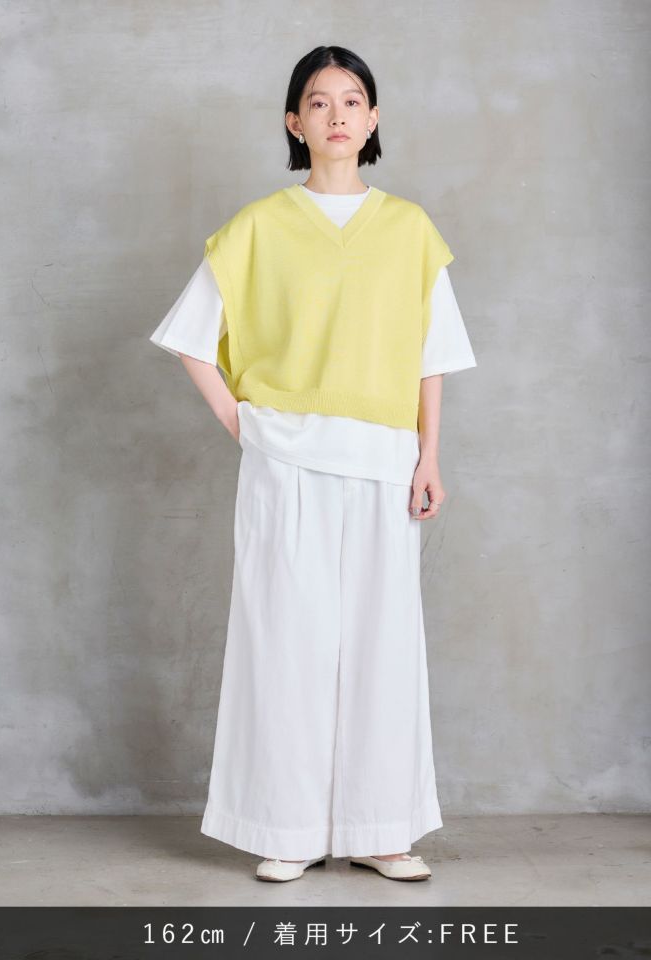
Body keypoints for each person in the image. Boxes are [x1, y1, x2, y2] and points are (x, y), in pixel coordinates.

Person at [150, 45, 476, 883]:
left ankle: (380, 827)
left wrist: (429, 456)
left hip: (383, 459)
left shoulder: (409, 230)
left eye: (352, 99)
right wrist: (243, 422)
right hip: (284, 460)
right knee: (285, 638)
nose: (337, 114)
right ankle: (287, 827)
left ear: (373, 120)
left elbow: (431, 356)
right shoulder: (259, 226)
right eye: (319, 101)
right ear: (294, 121)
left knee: (381, 644)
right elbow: (191, 338)